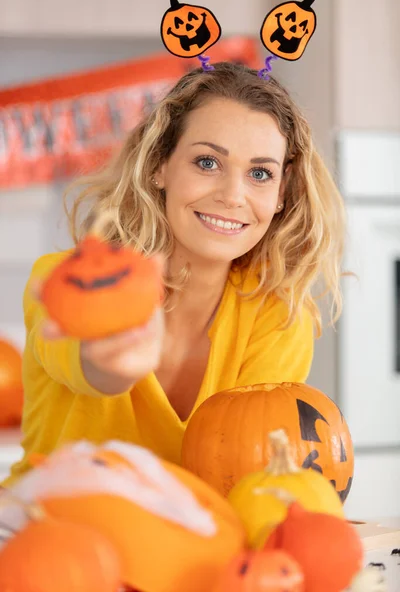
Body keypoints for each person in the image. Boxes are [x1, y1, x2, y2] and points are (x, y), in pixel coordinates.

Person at [3, 62, 346, 487]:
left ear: (282, 192)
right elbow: (87, 365)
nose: (232, 195)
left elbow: (246, 477)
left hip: (191, 542)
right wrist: (109, 359)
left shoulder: (279, 317)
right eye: (207, 162)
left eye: (260, 173)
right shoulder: (67, 280)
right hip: (52, 527)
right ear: (158, 166)